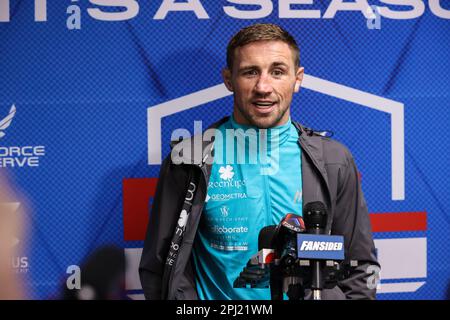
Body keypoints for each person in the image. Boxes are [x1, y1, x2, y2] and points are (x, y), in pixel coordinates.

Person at [139, 23, 380, 300]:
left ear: (297, 78)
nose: (263, 87)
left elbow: (359, 264)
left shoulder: (333, 160)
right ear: (229, 79)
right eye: (250, 72)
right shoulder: (190, 160)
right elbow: (160, 268)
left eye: (277, 72)